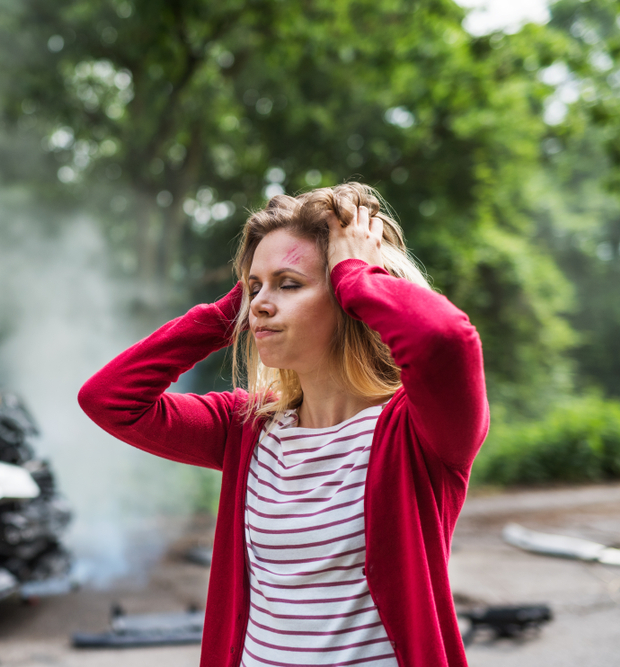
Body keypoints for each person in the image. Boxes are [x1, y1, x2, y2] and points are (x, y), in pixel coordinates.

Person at [78, 182, 488, 667]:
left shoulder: (416, 432)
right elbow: (109, 400)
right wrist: (227, 313)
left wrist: (358, 275)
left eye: (289, 283)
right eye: (254, 287)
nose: (260, 305)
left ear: (348, 296)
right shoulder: (248, 427)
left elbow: (445, 339)